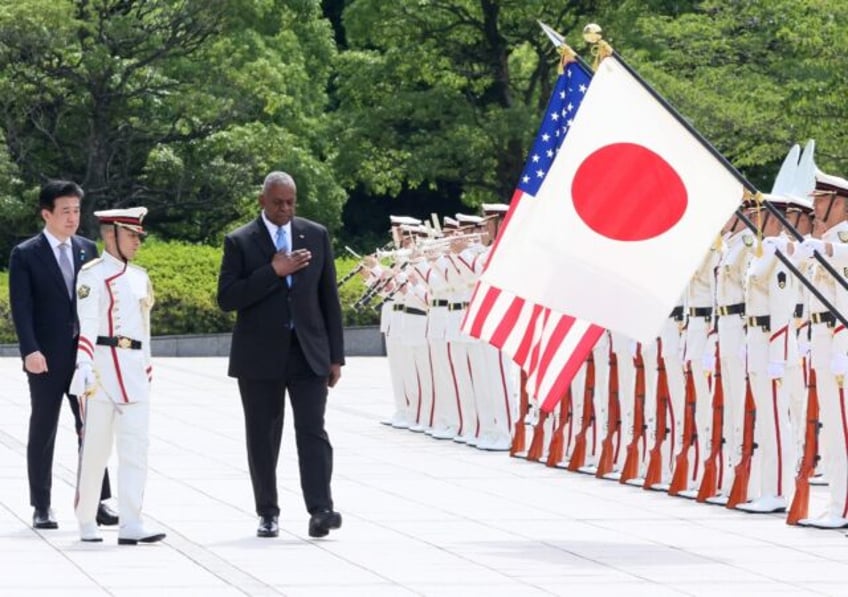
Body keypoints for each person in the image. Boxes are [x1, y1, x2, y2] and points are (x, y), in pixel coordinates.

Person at [217, 171, 345, 539]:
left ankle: (321, 509)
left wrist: (335, 356)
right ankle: (267, 512)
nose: (285, 209)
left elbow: (328, 300)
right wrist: (272, 271)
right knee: (263, 435)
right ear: (262, 201)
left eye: (290, 202)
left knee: (312, 430)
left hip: (309, 353)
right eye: (277, 203)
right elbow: (227, 298)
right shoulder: (240, 241)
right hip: (259, 356)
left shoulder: (315, 235)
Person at [8, 180, 117, 530]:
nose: (73, 218)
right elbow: (21, 308)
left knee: (92, 426)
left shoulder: (87, 248)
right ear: (47, 214)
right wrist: (30, 350)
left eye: (76, 210)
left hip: (84, 355)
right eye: (65, 211)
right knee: (44, 427)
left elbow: (98, 301)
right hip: (46, 356)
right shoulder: (25, 254)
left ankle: (97, 501)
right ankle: (42, 504)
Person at [69, 207, 165, 544]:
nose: (138, 242)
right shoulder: (92, 275)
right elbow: (88, 323)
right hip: (101, 369)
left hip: (134, 370)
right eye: (131, 235)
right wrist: (83, 365)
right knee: (95, 449)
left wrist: (147, 365)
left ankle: (131, 522)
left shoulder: (139, 276)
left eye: (139, 236)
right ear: (111, 234)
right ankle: (86, 520)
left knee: (136, 448)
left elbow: (145, 329)